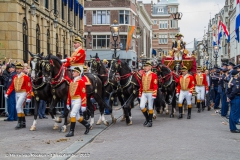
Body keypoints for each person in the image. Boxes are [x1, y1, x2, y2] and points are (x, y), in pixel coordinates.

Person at [5, 62, 32, 129]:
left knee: (17, 106)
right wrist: (7, 93)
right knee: (20, 108)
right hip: (17, 93)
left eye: (19, 69)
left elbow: (29, 87)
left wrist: (28, 96)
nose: (17, 70)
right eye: (16, 69)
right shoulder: (15, 77)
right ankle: (23, 122)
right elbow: (12, 86)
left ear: (22, 69)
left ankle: (19, 122)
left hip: (23, 93)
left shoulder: (25, 77)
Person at [65, 67, 90, 137]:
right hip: (73, 100)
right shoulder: (72, 81)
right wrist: (68, 102)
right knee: (77, 117)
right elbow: (69, 93)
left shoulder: (81, 81)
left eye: (74, 71)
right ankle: (87, 124)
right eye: (73, 71)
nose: (73, 73)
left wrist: (83, 104)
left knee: (72, 114)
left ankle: (71, 131)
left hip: (78, 100)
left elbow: (83, 93)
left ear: (78, 73)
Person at [139, 61, 158, 127]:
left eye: (147, 66)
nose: (145, 67)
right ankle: (147, 118)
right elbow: (141, 85)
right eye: (145, 66)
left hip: (150, 92)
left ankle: (150, 121)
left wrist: (154, 94)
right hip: (144, 92)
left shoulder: (153, 74)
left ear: (150, 67)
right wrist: (140, 94)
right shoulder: (143, 74)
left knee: (150, 107)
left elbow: (155, 85)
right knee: (141, 106)